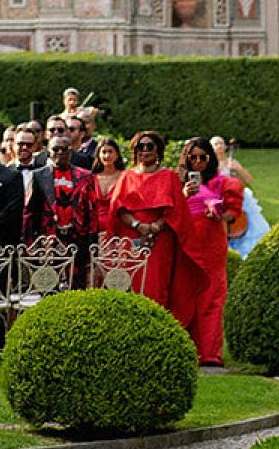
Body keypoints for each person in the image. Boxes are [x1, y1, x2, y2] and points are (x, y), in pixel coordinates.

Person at [107, 129, 195, 306]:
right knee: (130, 282)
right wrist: (138, 224)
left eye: (150, 146)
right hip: (131, 235)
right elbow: (118, 208)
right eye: (141, 146)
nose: (145, 150)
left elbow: (177, 209)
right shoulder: (127, 176)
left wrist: (156, 225)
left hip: (160, 238)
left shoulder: (169, 176)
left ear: (158, 150)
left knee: (156, 284)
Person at [172, 137, 237, 367]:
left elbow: (233, 213)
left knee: (212, 295)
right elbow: (169, 211)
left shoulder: (222, 182)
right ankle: (184, 348)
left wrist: (219, 214)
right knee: (184, 294)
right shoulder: (176, 182)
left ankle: (210, 353)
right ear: (186, 159)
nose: (198, 162)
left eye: (203, 157)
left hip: (212, 242)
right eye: (193, 157)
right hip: (186, 242)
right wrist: (184, 194)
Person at [47, 135, 99, 285]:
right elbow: (29, 213)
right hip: (48, 242)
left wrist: (93, 246)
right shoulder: (39, 175)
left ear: (71, 152)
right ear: (48, 151)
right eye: (55, 149)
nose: (60, 153)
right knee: (49, 288)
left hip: (78, 241)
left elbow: (92, 213)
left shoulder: (86, 176)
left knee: (77, 286)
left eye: (64, 149)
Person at [213, 136, 270, 256]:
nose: (219, 146)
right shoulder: (210, 166)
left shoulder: (232, 162)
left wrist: (238, 170)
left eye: (221, 143)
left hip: (238, 197)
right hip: (220, 199)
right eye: (216, 144)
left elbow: (248, 180)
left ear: (225, 147)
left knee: (254, 224)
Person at [90, 135, 128, 232]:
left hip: (120, 227)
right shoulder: (91, 178)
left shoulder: (125, 177)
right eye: (104, 152)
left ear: (117, 154)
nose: (107, 156)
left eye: (110, 152)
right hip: (94, 228)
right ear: (98, 154)